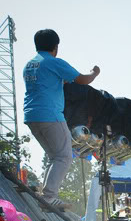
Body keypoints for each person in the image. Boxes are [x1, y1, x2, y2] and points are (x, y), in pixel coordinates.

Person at [23, 29, 100, 209]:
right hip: (50, 115)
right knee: (65, 156)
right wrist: (94, 72)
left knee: (54, 156)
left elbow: (50, 82)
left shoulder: (29, 65)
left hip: (32, 116)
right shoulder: (53, 62)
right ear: (55, 47)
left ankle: (45, 196)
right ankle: (49, 196)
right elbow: (82, 79)